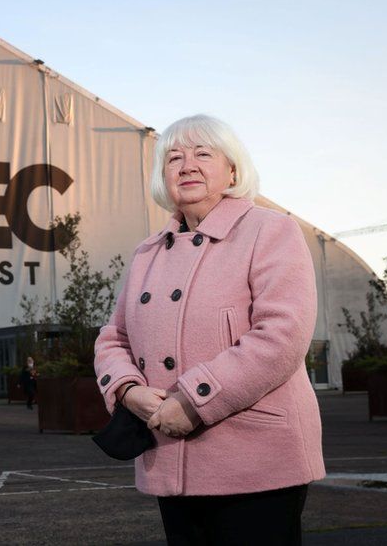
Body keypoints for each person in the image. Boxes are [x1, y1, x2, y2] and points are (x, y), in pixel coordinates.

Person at [94, 114, 324, 545]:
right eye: (173, 157)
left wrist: (194, 400)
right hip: (169, 454)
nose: (187, 165)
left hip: (256, 458)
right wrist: (127, 390)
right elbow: (113, 336)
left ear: (232, 170)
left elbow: (282, 334)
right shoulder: (147, 253)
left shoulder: (270, 231)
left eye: (203, 154)